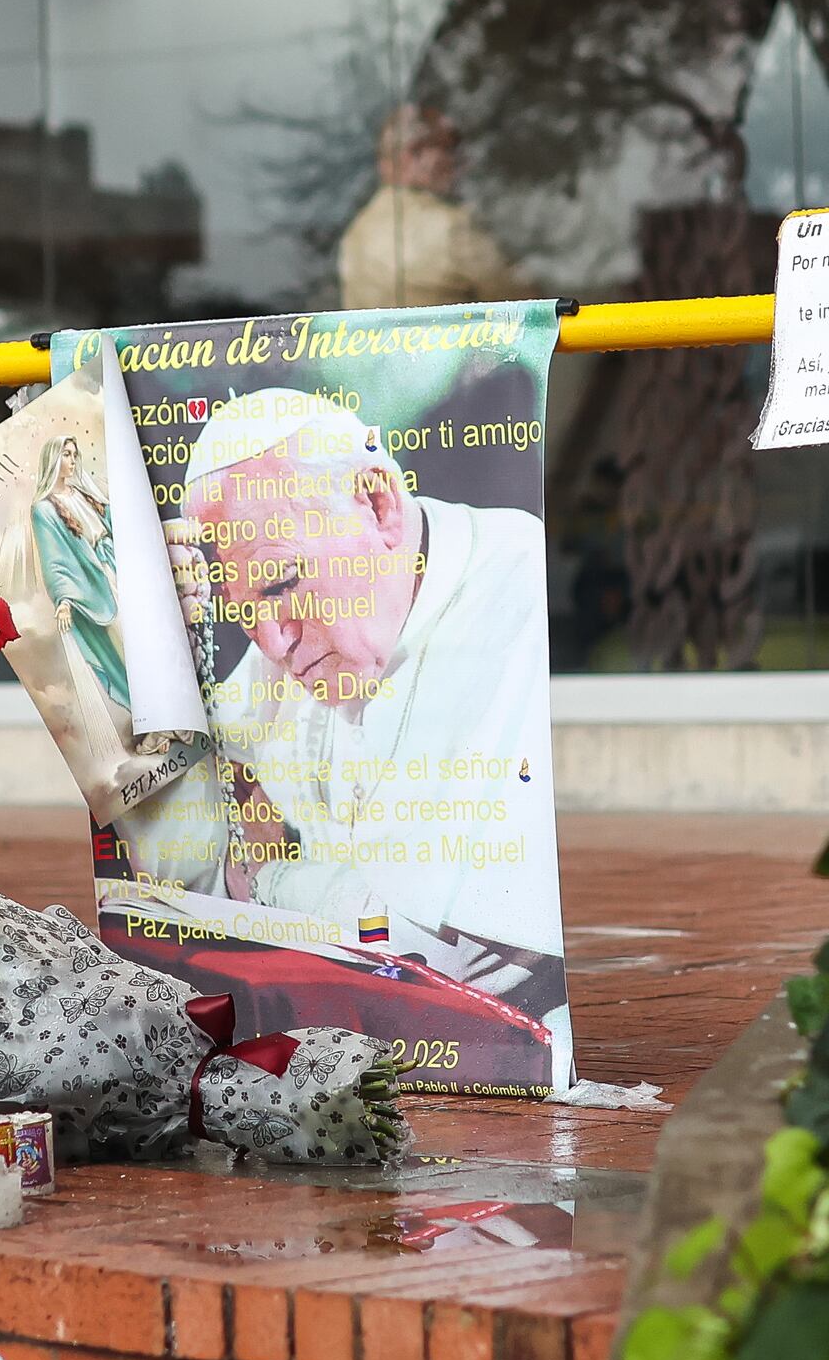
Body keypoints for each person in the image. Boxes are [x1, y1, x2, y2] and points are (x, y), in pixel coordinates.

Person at [161, 388, 560, 956]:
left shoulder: (516, 587)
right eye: (244, 612)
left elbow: (451, 956)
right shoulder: (286, 633)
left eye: (282, 585)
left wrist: (268, 879)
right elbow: (208, 775)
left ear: (377, 505)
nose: (274, 644)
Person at [335, 104, 524, 310]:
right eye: (450, 148)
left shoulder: (355, 234)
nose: (460, 162)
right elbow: (524, 310)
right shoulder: (453, 227)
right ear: (412, 154)